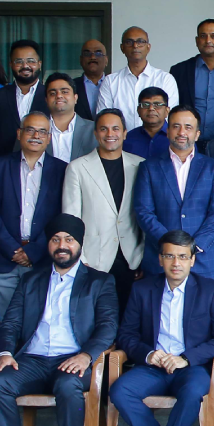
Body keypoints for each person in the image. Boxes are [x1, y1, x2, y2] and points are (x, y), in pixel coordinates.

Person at [0, 214, 119, 426]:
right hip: (30, 360)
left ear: (80, 245)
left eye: (69, 239)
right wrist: (5, 353)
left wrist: (85, 356)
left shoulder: (99, 282)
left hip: (71, 359)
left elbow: (108, 327)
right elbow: (11, 323)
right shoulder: (31, 280)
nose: (62, 245)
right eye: (56, 239)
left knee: (69, 387)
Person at [110, 229, 214, 426]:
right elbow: (126, 334)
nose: (176, 263)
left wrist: (186, 358)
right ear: (160, 259)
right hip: (152, 367)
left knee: (192, 392)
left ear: (192, 260)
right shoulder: (143, 288)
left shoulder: (209, 289)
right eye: (169, 256)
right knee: (121, 391)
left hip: (191, 368)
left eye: (182, 256)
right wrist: (148, 353)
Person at [63, 109, 144, 322]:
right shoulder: (78, 167)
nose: (110, 133)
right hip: (94, 257)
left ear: (125, 133)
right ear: (95, 133)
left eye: (116, 128)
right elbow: (71, 218)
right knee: (97, 319)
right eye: (104, 128)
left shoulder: (140, 164)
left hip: (132, 256)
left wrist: (143, 256)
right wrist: (80, 258)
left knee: (130, 318)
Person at [0, 114, 68, 314]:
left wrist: (33, 251)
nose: (35, 135)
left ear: (48, 138)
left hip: (43, 258)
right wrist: (13, 249)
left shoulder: (62, 170)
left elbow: (61, 216)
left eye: (42, 131)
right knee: (1, 321)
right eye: (30, 130)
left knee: (37, 320)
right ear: (19, 133)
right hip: (2, 257)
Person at [133, 107, 214, 278]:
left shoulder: (213, 167)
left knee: (205, 305)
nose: (181, 132)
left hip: (204, 258)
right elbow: (144, 212)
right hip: (162, 258)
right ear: (168, 131)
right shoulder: (149, 167)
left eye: (188, 127)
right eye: (176, 126)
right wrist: (171, 247)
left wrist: (194, 246)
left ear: (197, 134)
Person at [0, 40, 48, 181]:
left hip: (42, 176)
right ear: (11, 64)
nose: (25, 66)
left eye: (31, 61)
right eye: (19, 61)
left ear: (39, 63)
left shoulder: (50, 97)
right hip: (2, 176)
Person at [96, 26, 179, 134]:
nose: (135, 46)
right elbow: (103, 118)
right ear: (122, 48)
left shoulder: (165, 79)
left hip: (158, 143)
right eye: (129, 42)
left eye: (140, 41)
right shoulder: (111, 81)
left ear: (148, 47)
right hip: (121, 145)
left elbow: (171, 117)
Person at [43, 73, 95, 163]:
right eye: (52, 93)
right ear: (46, 100)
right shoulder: (35, 130)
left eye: (65, 92)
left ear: (75, 98)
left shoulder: (94, 129)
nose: (59, 96)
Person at [121, 87, 173, 159]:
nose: (151, 108)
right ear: (138, 110)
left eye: (157, 105)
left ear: (167, 110)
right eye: (145, 105)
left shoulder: (176, 137)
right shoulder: (128, 138)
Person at [76, 39, 107, 120]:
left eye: (98, 53)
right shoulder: (71, 86)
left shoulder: (115, 84)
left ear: (106, 60)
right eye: (87, 53)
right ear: (80, 60)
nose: (92, 57)